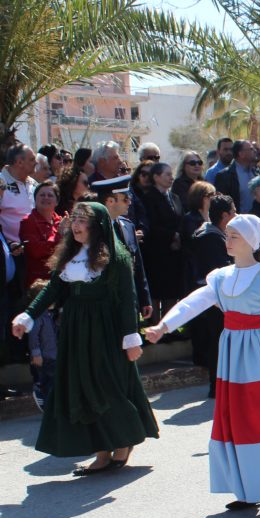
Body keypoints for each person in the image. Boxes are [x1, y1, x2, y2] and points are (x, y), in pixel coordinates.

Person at [146, 214, 260, 510]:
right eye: (227, 235)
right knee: (236, 418)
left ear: (251, 242)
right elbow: (193, 302)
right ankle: (247, 487)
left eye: (234, 236)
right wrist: (164, 326)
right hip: (232, 354)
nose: (228, 240)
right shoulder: (220, 277)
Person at [11, 202, 159, 475]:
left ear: (96, 226)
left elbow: (127, 299)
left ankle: (124, 441)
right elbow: (53, 288)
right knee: (82, 386)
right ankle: (102, 451)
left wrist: (131, 337)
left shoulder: (116, 257)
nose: (76, 225)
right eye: (75, 219)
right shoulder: (71, 254)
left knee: (107, 386)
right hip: (76, 328)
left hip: (106, 329)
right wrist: (28, 316)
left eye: (82, 220)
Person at [187, 194, 235, 398]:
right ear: (224, 215)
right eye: (233, 212)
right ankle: (218, 386)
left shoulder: (214, 235)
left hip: (217, 299)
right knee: (218, 343)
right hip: (215, 301)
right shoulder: (210, 238)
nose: (236, 215)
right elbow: (220, 272)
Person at [94, 175, 153, 320]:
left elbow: (137, 265)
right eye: (125, 199)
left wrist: (144, 298)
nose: (130, 202)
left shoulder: (128, 225)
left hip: (129, 300)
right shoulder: (94, 228)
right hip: (105, 303)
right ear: (110, 201)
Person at [141, 162, 185, 322]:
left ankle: (169, 326)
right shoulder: (148, 198)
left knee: (171, 291)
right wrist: (172, 236)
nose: (171, 178)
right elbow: (151, 224)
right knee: (156, 291)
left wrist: (179, 236)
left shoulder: (175, 198)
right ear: (156, 177)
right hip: (156, 252)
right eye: (167, 174)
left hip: (174, 253)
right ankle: (153, 324)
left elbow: (181, 220)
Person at [19, 181, 63, 286]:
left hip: (61, 279)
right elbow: (36, 251)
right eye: (42, 195)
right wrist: (59, 235)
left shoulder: (61, 221)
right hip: (38, 282)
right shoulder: (28, 221)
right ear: (35, 199)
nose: (46, 198)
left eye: (50, 195)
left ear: (57, 202)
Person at [25, 278, 58, 411]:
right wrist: (36, 354)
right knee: (47, 381)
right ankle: (42, 397)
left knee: (52, 381)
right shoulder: (38, 316)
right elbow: (33, 337)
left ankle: (50, 403)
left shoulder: (50, 314)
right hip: (45, 356)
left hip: (53, 355)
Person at [1, 144, 38, 242]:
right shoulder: (1, 182)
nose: (36, 162)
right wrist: (8, 244)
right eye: (32, 159)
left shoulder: (34, 184)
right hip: (9, 249)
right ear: (20, 162)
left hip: (34, 247)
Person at [214, 140, 259, 212]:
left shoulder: (257, 171)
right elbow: (222, 205)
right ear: (241, 154)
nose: (255, 151)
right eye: (251, 149)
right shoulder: (225, 176)